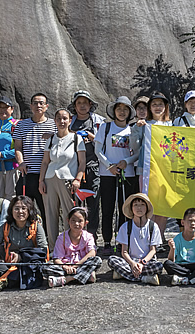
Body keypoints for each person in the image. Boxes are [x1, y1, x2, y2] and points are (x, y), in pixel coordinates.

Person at [0, 195, 48, 292]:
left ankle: (7, 279)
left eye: (24, 208)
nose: (20, 212)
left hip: (28, 264)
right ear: (11, 211)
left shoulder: (36, 227)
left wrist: (21, 257)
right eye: (16, 209)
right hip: (9, 264)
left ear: (29, 210)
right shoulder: (6, 227)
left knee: (32, 269)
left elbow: (43, 249)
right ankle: (13, 278)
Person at [95, 96, 139, 250]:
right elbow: (98, 150)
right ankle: (107, 241)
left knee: (125, 209)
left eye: (125, 109)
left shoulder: (132, 130)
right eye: (119, 108)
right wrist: (109, 166)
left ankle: (123, 241)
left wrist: (126, 161)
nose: (122, 112)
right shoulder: (105, 127)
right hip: (107, 174)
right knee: (107, 208)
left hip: (127, 174)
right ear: (114, 111)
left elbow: (137, 153)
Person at [38, 108, 86, 241]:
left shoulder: (76, 138)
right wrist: (41, 181)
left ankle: (71, 245)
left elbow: (82, 162)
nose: (62, 121)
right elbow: (45, 162)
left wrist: (78, 179)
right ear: (55, 121)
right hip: (50, 179)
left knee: (70, 214)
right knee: (50, 214)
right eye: (58, 119)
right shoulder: (51, 139)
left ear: (70, 120)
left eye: (65, 118)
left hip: (68, 180)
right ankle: (54, 247)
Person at [13, 93, 56, 227]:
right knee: (24, 209)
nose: (38, 106)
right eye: (35, 103)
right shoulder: (21, 125)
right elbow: (17, 147)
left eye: (41, 103)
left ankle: (48, 237)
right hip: (27, 173)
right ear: (31, 106)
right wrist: (21, 162)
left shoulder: (54, 124)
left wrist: (53, 136)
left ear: (46, 106)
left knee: (46, 210)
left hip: (47, 175)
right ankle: (26, 235)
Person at [133, 91, 171, 237]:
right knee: (148, 204)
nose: (157, 107)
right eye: (154, 104)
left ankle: (159, 238)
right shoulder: (144, 125)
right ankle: (147, 238)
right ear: (149, 107)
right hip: (146, 171)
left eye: (160, 104)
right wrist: (136, 129)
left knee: (163, 206)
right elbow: (134, 146)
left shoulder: (171, 125)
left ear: (165, 107)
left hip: (166, 172)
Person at [69, 90, 106, 240]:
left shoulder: (99, 121)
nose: (82, 106)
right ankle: (75, 237)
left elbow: (105, 143)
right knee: (75, 204)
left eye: (85, 102)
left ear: (90, 104)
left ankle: (92, 237)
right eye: (79, 103)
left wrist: (92, 137)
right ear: (75, 106)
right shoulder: (69, 121)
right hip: (73, 168)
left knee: (93, 204)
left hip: (94, 167)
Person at [108, 193, 164, 285]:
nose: (139, 208)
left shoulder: (153, 226)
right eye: (135, 205)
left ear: (147, 208)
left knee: (159, 266)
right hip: (130, 260)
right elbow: (124, 252)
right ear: (131, 208)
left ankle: (124, 274)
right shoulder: (126, 226)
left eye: (142, 205)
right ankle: (145, 278)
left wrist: (142, 263)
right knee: (112, 260)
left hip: (146, 261)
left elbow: (153, 250)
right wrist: (133, 264)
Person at [45, 207, 102, 287]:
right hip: (66, 267)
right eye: (73, 220)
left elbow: (92, 253)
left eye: (80, 221)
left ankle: (67, 279)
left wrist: (76, 265)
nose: (76, 224)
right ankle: (85, 275)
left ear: (85, 223)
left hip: (82, 265)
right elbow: (57, 258)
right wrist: (65, 267)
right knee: (44, 267)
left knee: (97, 260)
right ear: (68, 221)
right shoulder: (62, 238)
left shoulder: (88, 236)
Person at [164, 208, 195, 286]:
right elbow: (171, 260)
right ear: (182, 222)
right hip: (181, 266)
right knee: (167, 263)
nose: (192, 223)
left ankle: (185, 278)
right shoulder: (177, 239)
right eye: (190, 221)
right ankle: (192, 277)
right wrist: (172, 249)